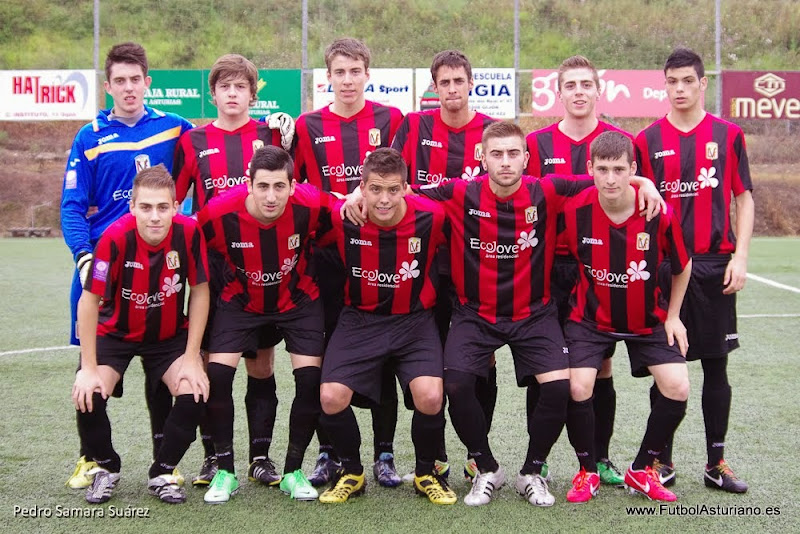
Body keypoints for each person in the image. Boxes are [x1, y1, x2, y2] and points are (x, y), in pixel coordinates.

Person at [345, 121, 663, 507]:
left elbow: (602, 180)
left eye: (514, 153)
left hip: (534, 314)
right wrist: (355, 194)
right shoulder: (461, 192)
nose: (506, 162)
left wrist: (643, 183)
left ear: (527, 159)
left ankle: (532, 470)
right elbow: (404, 191)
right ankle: (487, 467)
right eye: (497, 154)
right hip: (475, 314)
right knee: (456, 385)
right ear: (483, 158)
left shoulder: (546, 189)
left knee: (558, 387)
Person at [61, 41, 193, 490]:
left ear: (147, 82)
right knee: (89, 366)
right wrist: (83, 254)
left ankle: (164, 459)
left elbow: (217, 149)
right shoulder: (89, 136)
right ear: (108, 87)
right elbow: (72, 206)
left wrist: (273, 133)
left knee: (161, 362)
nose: (129, 88)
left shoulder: (174, 128)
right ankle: (92, 458)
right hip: (105, 269)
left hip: (159, 266)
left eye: (136, 79)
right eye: (120, 81)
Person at [172, 53, 295, 488]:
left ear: (252, 93)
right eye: (224, 86)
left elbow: (289, 189)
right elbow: (176, 204)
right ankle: (213, 457)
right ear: (213, 94)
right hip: (214, 272)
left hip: (261, 268)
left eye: (240, 86)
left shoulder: (269, 134)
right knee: (211, 366)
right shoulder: (193, 140)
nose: (232, 94)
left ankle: (260, 457)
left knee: (261, 365)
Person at [635, 47, 754, 494]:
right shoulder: (646, 139)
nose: (680, 88)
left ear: (704, 84)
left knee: (716, 367)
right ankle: (659, 460)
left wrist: (741, 256)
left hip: (714, 264)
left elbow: (743, 198)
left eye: (688, 80)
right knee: (667, 366)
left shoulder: (728, 134)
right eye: (672, 81)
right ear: (664, 85)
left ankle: (716, 462)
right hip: (665, 268)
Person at [293, 37, 405, 488]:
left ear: (367, 75)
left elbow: (401, 180)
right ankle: (329, 452)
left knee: (385, 353)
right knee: (325, 355)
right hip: (326, 254)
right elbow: (298, 185)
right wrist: (338, 200)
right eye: (339, 72)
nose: (347, 80)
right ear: (327, 77)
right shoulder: (307, 125)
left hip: (381, 251)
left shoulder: (390, 119)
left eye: (355, 71)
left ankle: (384, 452)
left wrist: (363, 194)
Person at [316, 148, 455, 505]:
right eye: (375, 189)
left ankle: (425, 473)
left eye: (393, 190)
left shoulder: (432, 216)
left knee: (430, 396)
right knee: (331, 397)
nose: (384, 199)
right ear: (361, 187)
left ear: (406, 188)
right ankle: (352, 472)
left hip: (414, 321)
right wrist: (346, 199)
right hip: (359, 319)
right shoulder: (343, 217)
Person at [196, 145, 333, 503]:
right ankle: (225, 472)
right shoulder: (218, 213)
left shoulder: (311, 203)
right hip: (240, 301)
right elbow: (186, 241)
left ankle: (292, 472)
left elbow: (346, 208)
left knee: (310, 380)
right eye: (263, 186)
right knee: (218, 375)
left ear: (293, 186)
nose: (271, 196)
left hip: (298, 300)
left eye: (279, 186)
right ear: (248, 184)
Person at [561, 131, 692, 503]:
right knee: (578, 387)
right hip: (590, 318)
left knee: (678, 386)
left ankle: (641, 469)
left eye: (619, 170)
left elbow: (683, 265)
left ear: (633, 169)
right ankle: (587, 470)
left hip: (648, 319)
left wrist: (674, 316)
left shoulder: (657, 211)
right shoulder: (574, 209)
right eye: (602, 169)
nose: (610, 179)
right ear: (590, 168)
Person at [72, 165, 210, 505]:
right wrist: (87, 367)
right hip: (116, 333)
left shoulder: (189, 232)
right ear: (132, 207)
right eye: (146, 207)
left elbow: (200, 292)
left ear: (176, 206)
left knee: (195, 391)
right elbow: (89, 302)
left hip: (167, 337)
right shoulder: (114, 238)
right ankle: (106, 467)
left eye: (163, 207)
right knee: (88, 394)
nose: (154, 216)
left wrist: (192, 357)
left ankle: (162, 472)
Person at [525, 56, 634, 487]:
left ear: (598, 90)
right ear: (558, 92)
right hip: (547, 267)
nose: (578, 92)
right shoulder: (536, 143)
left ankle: (599, 458)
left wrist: (643, 184)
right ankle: (538, 459)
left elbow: (633, 192)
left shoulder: (619, 141)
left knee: (601, 366)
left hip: (600, 268)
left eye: (586, 84)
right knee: (545, 366)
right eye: (570, 85)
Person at [391, 49, 497, 481]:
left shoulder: (491, 131)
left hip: (477, 263)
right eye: (444, 82)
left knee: (481, 362)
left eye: (459, 81)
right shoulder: (414, 125)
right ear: (434, 88)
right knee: (427, 360)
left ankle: (478, 453)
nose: (452, 89)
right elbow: (389, 177)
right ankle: (434, 455)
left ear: (471, 83)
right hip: (424, 262)